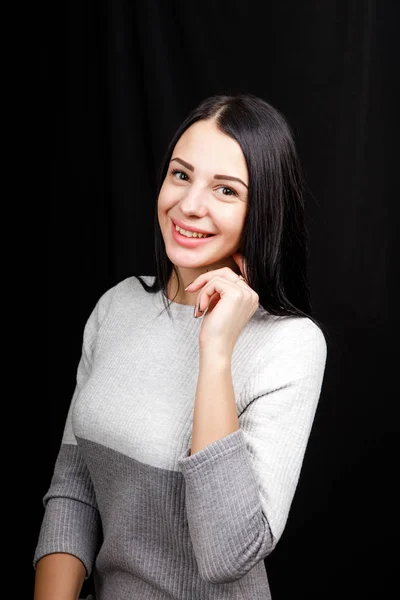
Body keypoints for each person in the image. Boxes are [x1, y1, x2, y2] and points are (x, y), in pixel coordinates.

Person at [33, 93, 328, 600]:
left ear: (264, 209)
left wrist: (215, 352)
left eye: (227, 190)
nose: (190, 205)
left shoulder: (291, 345)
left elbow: (225, 555)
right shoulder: (117, 307)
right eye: (181, 175)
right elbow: (74, 491)